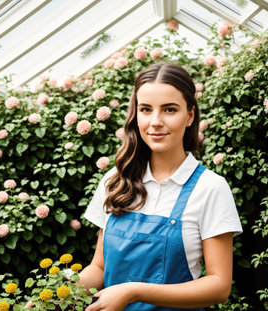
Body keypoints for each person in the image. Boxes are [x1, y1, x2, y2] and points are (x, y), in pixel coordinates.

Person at [79, 63, 243, 311]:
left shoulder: (210, 188)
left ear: (189, 116)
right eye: (146, 109)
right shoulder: (115, 180)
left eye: (169, 109)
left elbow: (219, 287)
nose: (155, 122)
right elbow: (99, 268)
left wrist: (133, 291)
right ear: (136, 115)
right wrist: (57, 292)